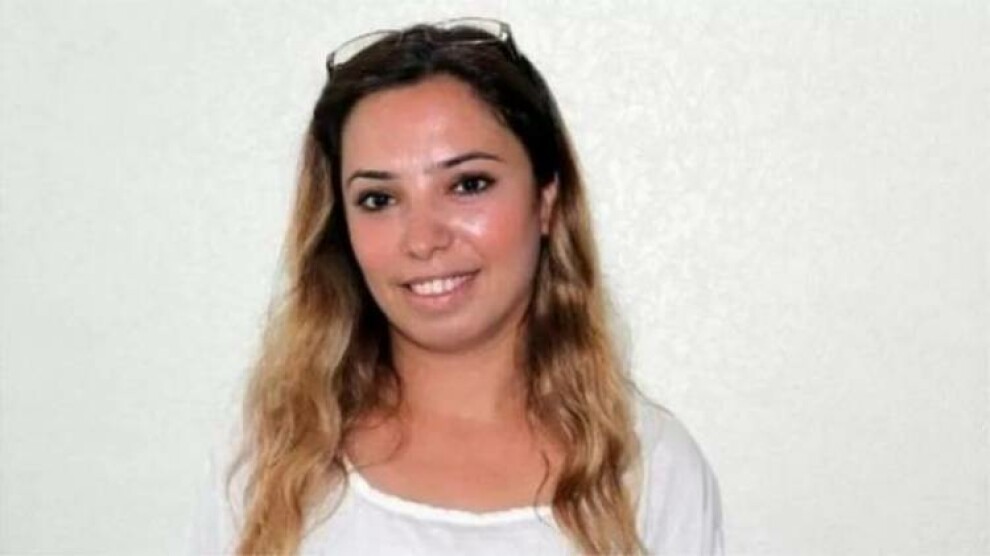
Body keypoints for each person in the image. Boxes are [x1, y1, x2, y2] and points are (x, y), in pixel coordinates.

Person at [190, 17, 723, 555]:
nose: (423, 240)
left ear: (546, 200)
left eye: (468, 185)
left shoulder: (650, 469)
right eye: (379, 199)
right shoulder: (271, 457)